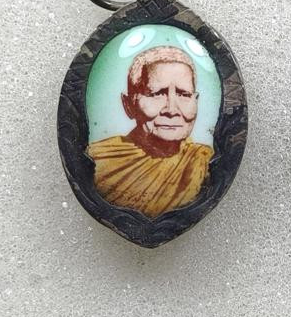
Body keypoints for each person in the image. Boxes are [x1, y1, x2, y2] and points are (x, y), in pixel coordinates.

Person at [87, 46, 213, 219]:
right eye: (157, 94)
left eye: (184, 95)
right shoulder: (96, 160)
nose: (172, 110)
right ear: (128, 104)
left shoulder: (207, 163)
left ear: (196, 101)